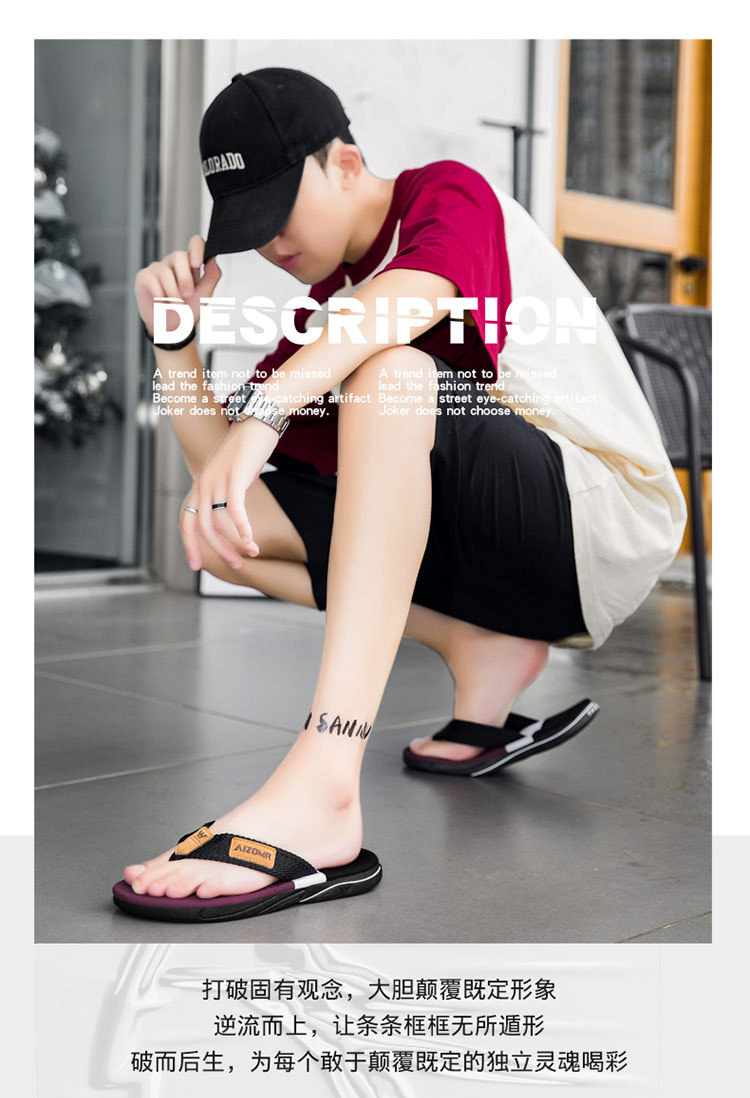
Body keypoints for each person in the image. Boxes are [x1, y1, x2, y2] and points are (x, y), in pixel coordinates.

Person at [112, 68, 686, 922]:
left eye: (279, 210)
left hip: (599, 511)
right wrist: (176, 344)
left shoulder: (445, 197)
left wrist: (271, 410)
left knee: (391, 367)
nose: (271, 244)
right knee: (227, 530)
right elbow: (222, 484)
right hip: (502, 550)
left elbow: (407, 301)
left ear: (345, 164)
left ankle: (326, 780)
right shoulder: (330, 314)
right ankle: (480, 650)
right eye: (251, 228)